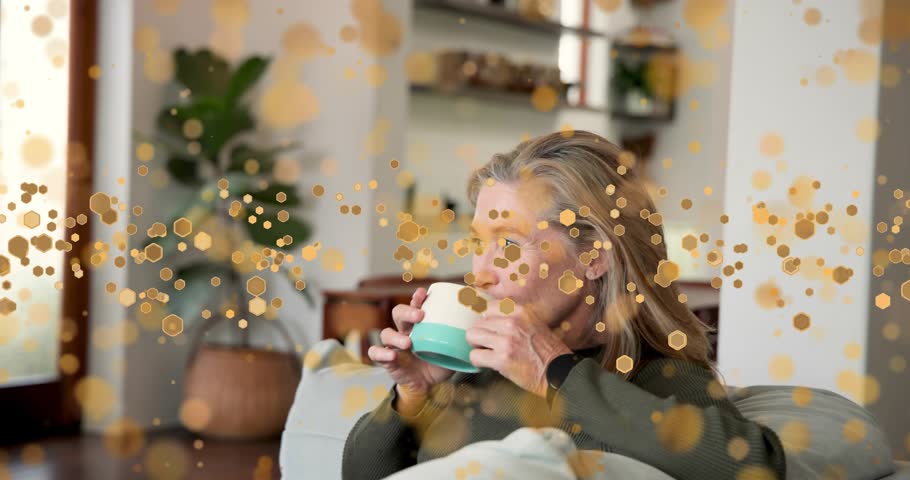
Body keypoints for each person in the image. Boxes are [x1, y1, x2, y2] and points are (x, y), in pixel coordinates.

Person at [342, 131, 787, 479]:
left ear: (592, 256)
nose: (480, 272)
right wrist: (412, 397)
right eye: (479, 242)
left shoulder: (655, 377)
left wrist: (556, 372)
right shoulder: (470, 371)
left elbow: (755, 468)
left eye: (510, 244)